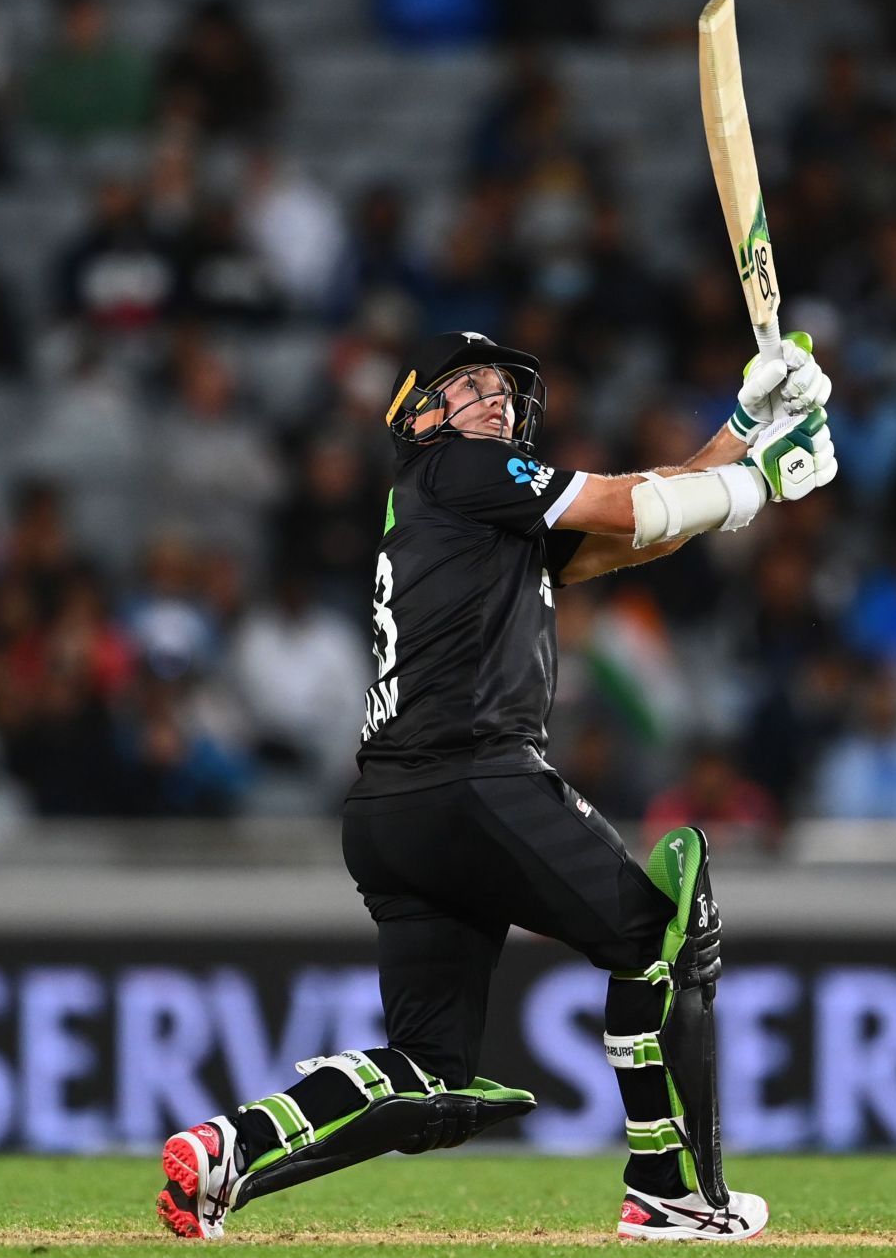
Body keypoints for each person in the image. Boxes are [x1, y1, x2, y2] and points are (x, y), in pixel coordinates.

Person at [153, 330, 838, 1242]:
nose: (498, 401)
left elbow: (627, 535)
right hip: (474, 774)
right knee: (660, 936)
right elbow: (625, 504)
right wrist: (763, 485)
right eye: (471, 385)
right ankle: (671, 1190)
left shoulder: (465, 511)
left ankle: (226, 1147)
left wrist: (748, 423)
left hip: (392, 811)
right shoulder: (457, 473)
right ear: (421, 413)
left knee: (427, 1065)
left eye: (505, 390)